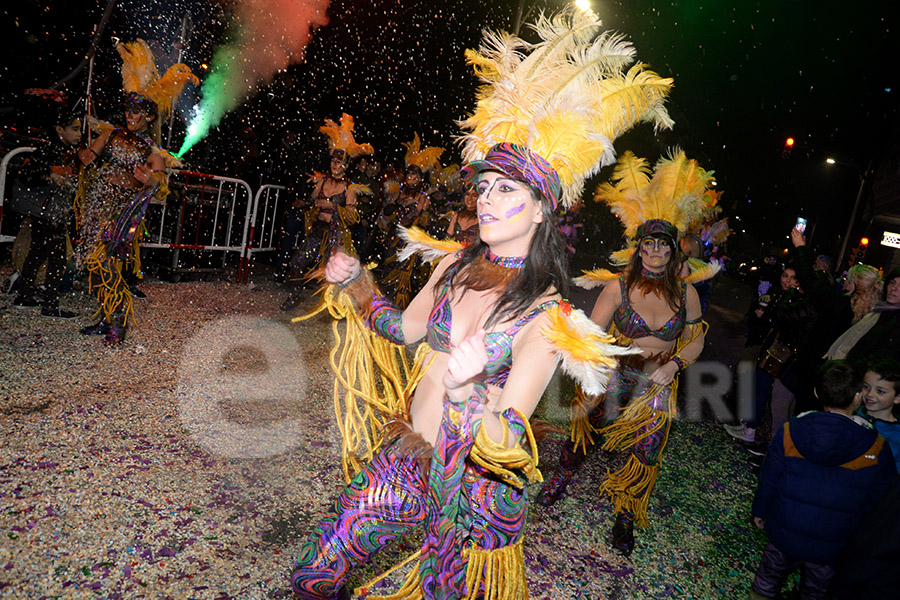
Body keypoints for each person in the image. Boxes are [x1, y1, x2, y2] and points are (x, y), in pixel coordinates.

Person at [290, 8, 674, 598]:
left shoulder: (548, 317)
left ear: (542, 207)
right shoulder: (451, 263)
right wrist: (357, 283)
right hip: (410, 463)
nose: (489, 200)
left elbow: (511, 441)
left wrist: (468, 391)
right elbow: (407, 330)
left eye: (508, 190)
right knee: (324, 562)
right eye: (485, 187)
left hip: (471, 499)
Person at [537, 150, 714, 556]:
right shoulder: (617, 286)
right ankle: (561, 479)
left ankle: (626, 516)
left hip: (656, 384)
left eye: (662, 247)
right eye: (648, 245)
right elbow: (595, 332)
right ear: (638, 249)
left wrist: (674, 365)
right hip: (616, 375)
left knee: (646, 454)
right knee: (585, 432)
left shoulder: (686, 293)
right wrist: (582, 346)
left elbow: (697, 338)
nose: (654, 253)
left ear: (674, 252)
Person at [75, 39, 196, 345]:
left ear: (150, 117)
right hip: (100, 203)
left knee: (110, 263)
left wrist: (150, 180)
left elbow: (158, 178)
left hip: (125, 211)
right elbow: (91, 152)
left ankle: (118, 322)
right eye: (128, 110)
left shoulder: (151, 149)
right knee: (96, 262)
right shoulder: (111, 134)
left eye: (138, 112)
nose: (131, 116)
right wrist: (86, 156)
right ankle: (106, 317)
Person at [748, 361, 895, 600]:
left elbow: (770, 477)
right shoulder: (876, 447)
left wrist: (760, 510)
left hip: (785, 529)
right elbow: (877, 500)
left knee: (767, 581)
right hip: (832, 543)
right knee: (816, 591)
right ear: (858, 396)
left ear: (816, 393)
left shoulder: (790, 432)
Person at [282, 114, 373, 310]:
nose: (335, 164)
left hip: (336, 235)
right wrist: (303, 203)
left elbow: (352, 216)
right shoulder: (322, 182)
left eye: (340, 162)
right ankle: (295, 295)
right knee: (297, 263)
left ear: (346, 166)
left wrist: (334, 207)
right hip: (318, 232)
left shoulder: (349, 188)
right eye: (333, 161)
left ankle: (332, 308)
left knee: (332, 274)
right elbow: (312, 200)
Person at [13, 110, 82, 318]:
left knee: (38, 252)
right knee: (57, 257)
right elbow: (26, 175)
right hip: (48, 212)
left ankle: (25, 296)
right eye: (75, 129)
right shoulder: (51, 150)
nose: (79, 134)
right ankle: (50, 305)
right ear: (60, 130)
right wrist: (49, 177)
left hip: (46, 211)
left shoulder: (60, 150)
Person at [859, 359, 900, 473]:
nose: (870, 394)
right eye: (866, 387)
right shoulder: (849, 415)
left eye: (880, 391)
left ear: (897, 398)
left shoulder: (897, 435)